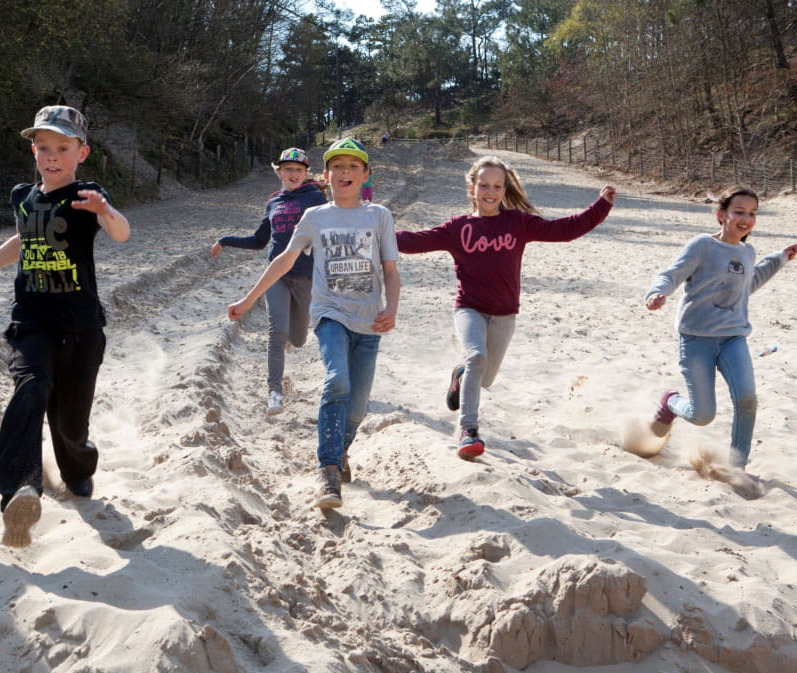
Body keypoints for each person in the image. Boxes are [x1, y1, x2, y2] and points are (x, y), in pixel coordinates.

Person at [0, 105, 130, 547]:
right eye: (44, 147)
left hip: (81, 327)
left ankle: (77, 468)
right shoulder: (23, 196)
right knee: (30, 388)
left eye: (62, 148)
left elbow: (121, 232)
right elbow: (23, 238)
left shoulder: (87, 195)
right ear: (34, 151)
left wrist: (105, 211)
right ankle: (20, 491)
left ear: (81, 153)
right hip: (31, 320)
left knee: (70, 427)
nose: (52, 156)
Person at [396, 155, 615, 459]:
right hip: (469, 309)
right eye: (484, 185)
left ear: (504, 189)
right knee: (477, 356)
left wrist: (601, 206)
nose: (490, 191)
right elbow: (413, 241)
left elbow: (565, 230)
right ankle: (468, 431)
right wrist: (373, 231)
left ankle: (460, 374)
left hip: (505, 314)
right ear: (472, 188)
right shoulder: (458, 227)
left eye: (497, 186)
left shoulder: (518, 223)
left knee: (483, 379)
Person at [229, 138, 400, 510]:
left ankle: (341, 449)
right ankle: (328, 469)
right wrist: (248, 299)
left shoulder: (379, 216)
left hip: (369, 320)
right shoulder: (315, 217)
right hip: (329, 313)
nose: (344, 172)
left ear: (366, 175)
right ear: (326, 175)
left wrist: (392, 308)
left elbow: (390, 269)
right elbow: (283, 260)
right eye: (337, 166)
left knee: (357, 408)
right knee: (337, 380)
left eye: (352, 167)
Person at [644, 186, 797, 473]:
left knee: (747, 400)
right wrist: (657, 293)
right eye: (739, 212)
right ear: (721, 215)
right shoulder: (702, 246)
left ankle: (737, 468)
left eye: (752, 213)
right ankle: (670, 402)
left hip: (733, 337)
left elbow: (748, 284)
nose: (746, 219)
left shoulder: (748, 251)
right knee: (702, 415)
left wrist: (779, 258)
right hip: (696, 339)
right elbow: (671, 275)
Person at [210, 147, 326, 415]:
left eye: (299, 170)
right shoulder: (274, 201)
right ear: (279, 172)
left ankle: (290, 342)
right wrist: (225, 241)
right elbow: (259, 241)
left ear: (306, 173)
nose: (293, 174)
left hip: (307, 275)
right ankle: (275, 391)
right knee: (276, 332)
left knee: (298, 339)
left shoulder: (315, 197)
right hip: (277, 275)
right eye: (288, 169)